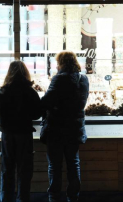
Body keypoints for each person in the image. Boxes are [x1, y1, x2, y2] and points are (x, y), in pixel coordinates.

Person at [41, 51, 89, 202]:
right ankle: (73, 197)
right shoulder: (83, 79)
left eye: (57, 63)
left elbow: (46, 101)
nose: (56, 66)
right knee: (73, 164)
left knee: (55, 166)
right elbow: (81, 103)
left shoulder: (59, 79)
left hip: (56, 128)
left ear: (61, 63)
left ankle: (54, 197)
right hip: (75, 128)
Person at [0, 61, 41, 202]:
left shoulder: (2, 91)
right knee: (24, 170)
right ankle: (22, 198)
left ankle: (6, 198)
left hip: (7, 134)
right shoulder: (30, 91)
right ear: (25, 73)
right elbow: (37, 113)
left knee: (7, 169)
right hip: (24, 133)